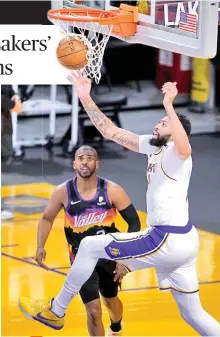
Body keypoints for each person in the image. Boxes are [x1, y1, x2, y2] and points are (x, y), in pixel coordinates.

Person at [18, 72, 220, 336]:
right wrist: (85, 97)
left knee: (89, 245)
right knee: (193, 314)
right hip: (183, 241)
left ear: (176, 131)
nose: (158, 125)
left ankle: (56, 311)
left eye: (164, 123)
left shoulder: (177, 154)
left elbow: (184, 147)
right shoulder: (154, 146)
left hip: (166, 238)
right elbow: (110, 131)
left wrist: (169, 105)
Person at [19, 145, 141, 336]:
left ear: (97, 164)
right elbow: (47, 218)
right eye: (81, 158)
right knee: (93, 311)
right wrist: (40, 246)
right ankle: (58, 311)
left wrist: (124, 258)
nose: (85, 161)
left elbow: (134, 224)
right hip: (80, 259)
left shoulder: (112, 190)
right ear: (74, 163)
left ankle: (116, 326)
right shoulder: (63, 191)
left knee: (111, 301)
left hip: (109, 256)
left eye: (89, 157)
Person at [1, 85, 22, 220]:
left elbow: (9, 91)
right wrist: (13, 103)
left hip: (4, 120)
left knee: (5, 155)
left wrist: (15, 96)